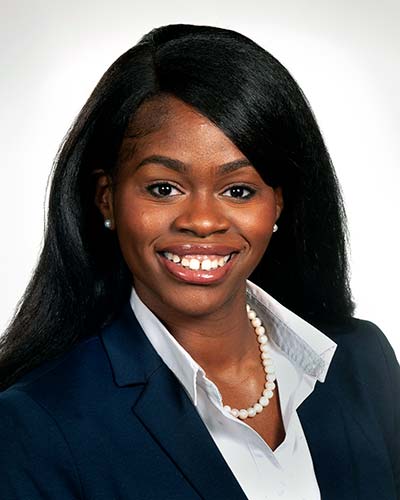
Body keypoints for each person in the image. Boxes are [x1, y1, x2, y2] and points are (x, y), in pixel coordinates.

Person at [0, 23, 398, 500]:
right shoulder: (35, 424)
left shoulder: (361, 362)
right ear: (106, 199)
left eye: (239, 190)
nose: (203, 221)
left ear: (278, 204)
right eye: (163, 188)